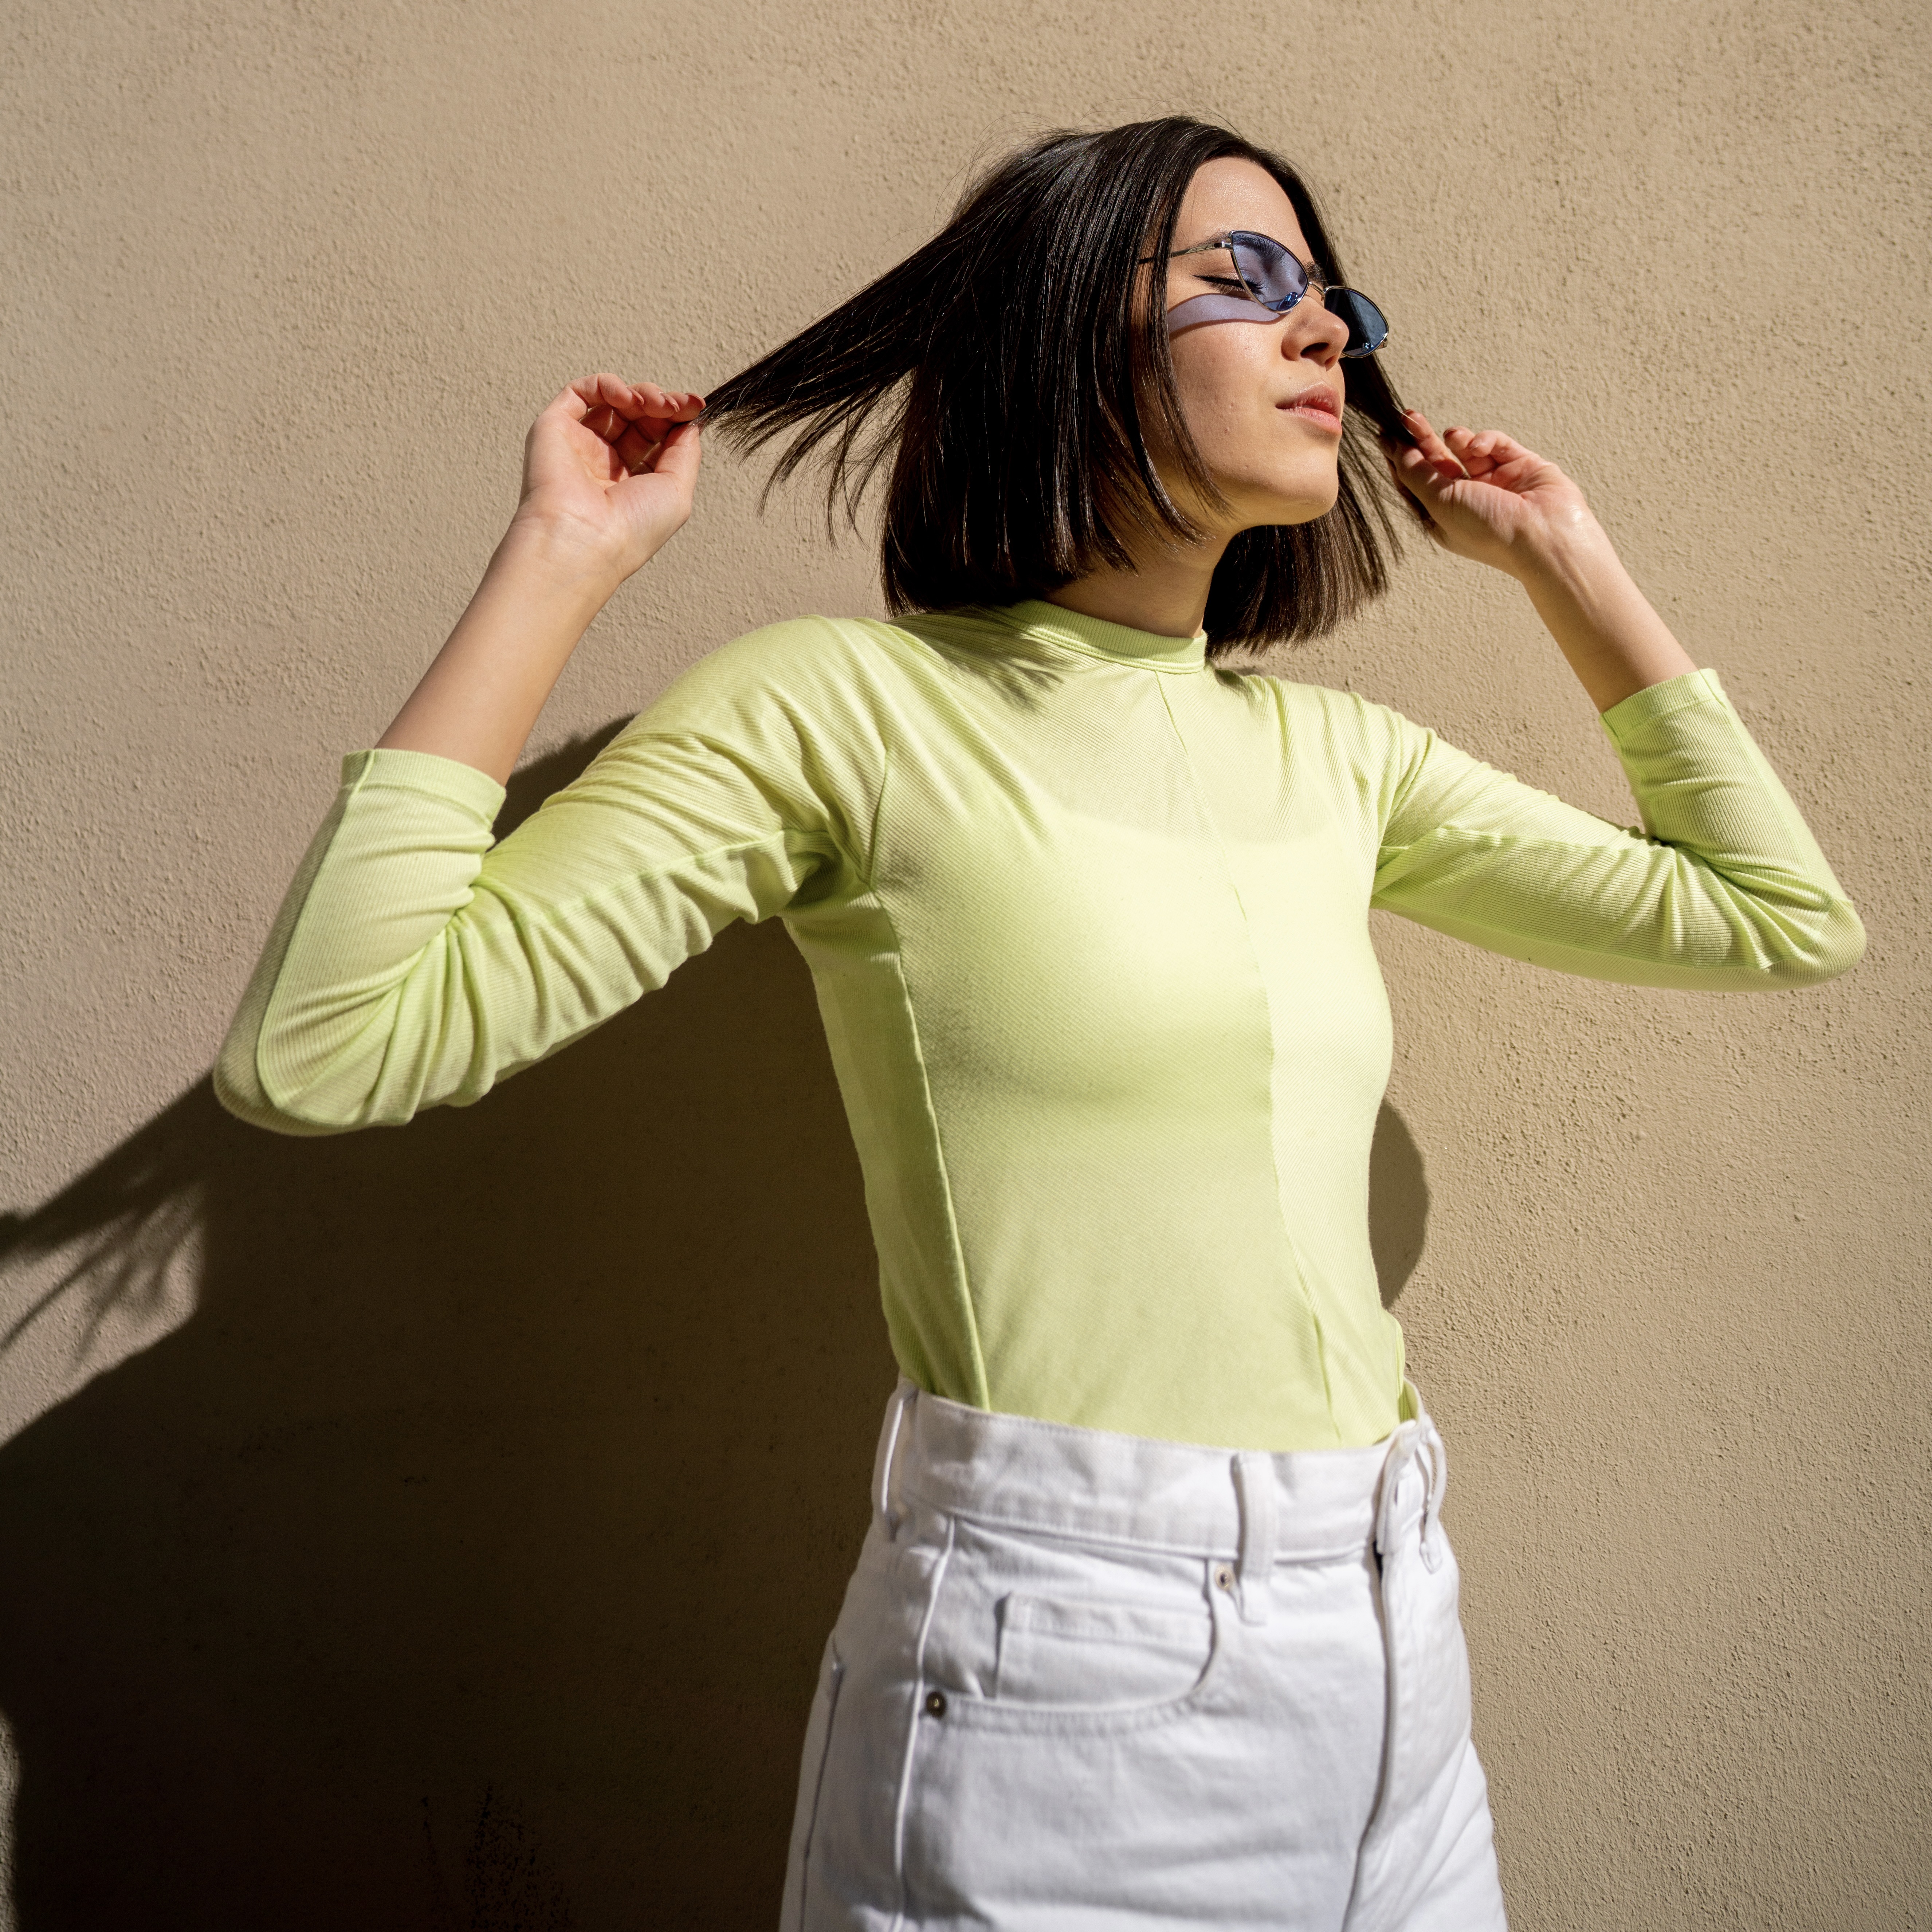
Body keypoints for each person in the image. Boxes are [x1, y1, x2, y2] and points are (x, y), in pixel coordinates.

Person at [215, 117, 1863, 1930]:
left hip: (1396, 1659)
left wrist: (1572, 563)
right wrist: (559, 557)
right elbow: (331, 1041)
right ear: (1072, 330)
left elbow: (1778, 920)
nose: (1326, 333)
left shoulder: (1337, 758)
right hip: (1068, 1685)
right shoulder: (838, 711)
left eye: (1337, 298)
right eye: (1249, 279)